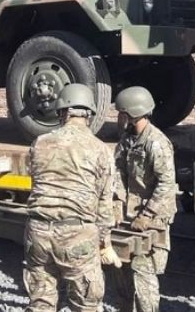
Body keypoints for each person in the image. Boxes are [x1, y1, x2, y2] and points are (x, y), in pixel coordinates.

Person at [24, 83, 120, 312]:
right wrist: (104, 243)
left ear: (61, 111)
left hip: (38, 232)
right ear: (89, 113)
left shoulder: (40, 143)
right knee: (85, 304)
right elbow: (104, 205)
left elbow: (36, 181)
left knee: (40, 303)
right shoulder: (100, 149)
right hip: (77, 235)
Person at [110, 86, 176, 312]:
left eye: (121, 113)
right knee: (121, 275)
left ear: (131, 114)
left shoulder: (156, 143)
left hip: (150, 221)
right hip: (128, 218)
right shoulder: (127, 140)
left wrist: (147, 214)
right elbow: (118, 171)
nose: (119, 118)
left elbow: (166, 184)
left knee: (143, 277)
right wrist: (117, 203)